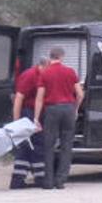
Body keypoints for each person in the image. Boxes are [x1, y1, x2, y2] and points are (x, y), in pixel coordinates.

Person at [33, 48, 84, 190]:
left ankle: (48, 181)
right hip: (68, 109)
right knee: (67, 146)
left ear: (50, 57)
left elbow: (39, 98)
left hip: (52, 110)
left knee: (49, 145)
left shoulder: (45, 73)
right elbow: (80, 94)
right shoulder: (70, 72)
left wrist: (36, 118)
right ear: (62, 56)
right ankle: (60, 180)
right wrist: (75, 109)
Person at [10, 58, 49, 189]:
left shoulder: (39, 75)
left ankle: (20, 179)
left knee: (30, 145)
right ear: (42, 66)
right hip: (28, 113)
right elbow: (19, 98)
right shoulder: (30, 75)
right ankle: (38, 178)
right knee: (36, 144)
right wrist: (16, 122)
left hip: (34, 112)